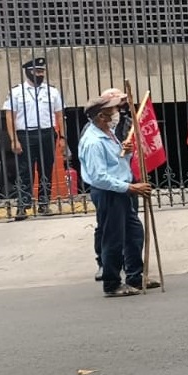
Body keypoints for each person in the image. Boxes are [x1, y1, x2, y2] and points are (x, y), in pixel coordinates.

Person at [78, 96, 153, 297]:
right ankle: (112, 283)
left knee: (134, 232)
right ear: (102, 116)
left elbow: (116, 163)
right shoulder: (93, 141)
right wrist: (130, 187)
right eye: (112, 111)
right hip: (110, 193)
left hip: (121, 190)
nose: (116, 114)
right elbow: (99, 177)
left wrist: (126, 153)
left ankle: (135, 277)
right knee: (113, 238)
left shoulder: (108, 133)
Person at [2, 57, 65, 220]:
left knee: (46, 168)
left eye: (42, 71)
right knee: (25, 170)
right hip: (25, 135)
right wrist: (14, 139)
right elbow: (9, 116)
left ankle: (44, 204)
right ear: (28, 72)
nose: (40, 74)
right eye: (36, 71)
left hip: (46, 133)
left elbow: (59, 114)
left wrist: (63, 136)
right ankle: (23, 206)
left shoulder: (52, 91)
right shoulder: (16, 92)